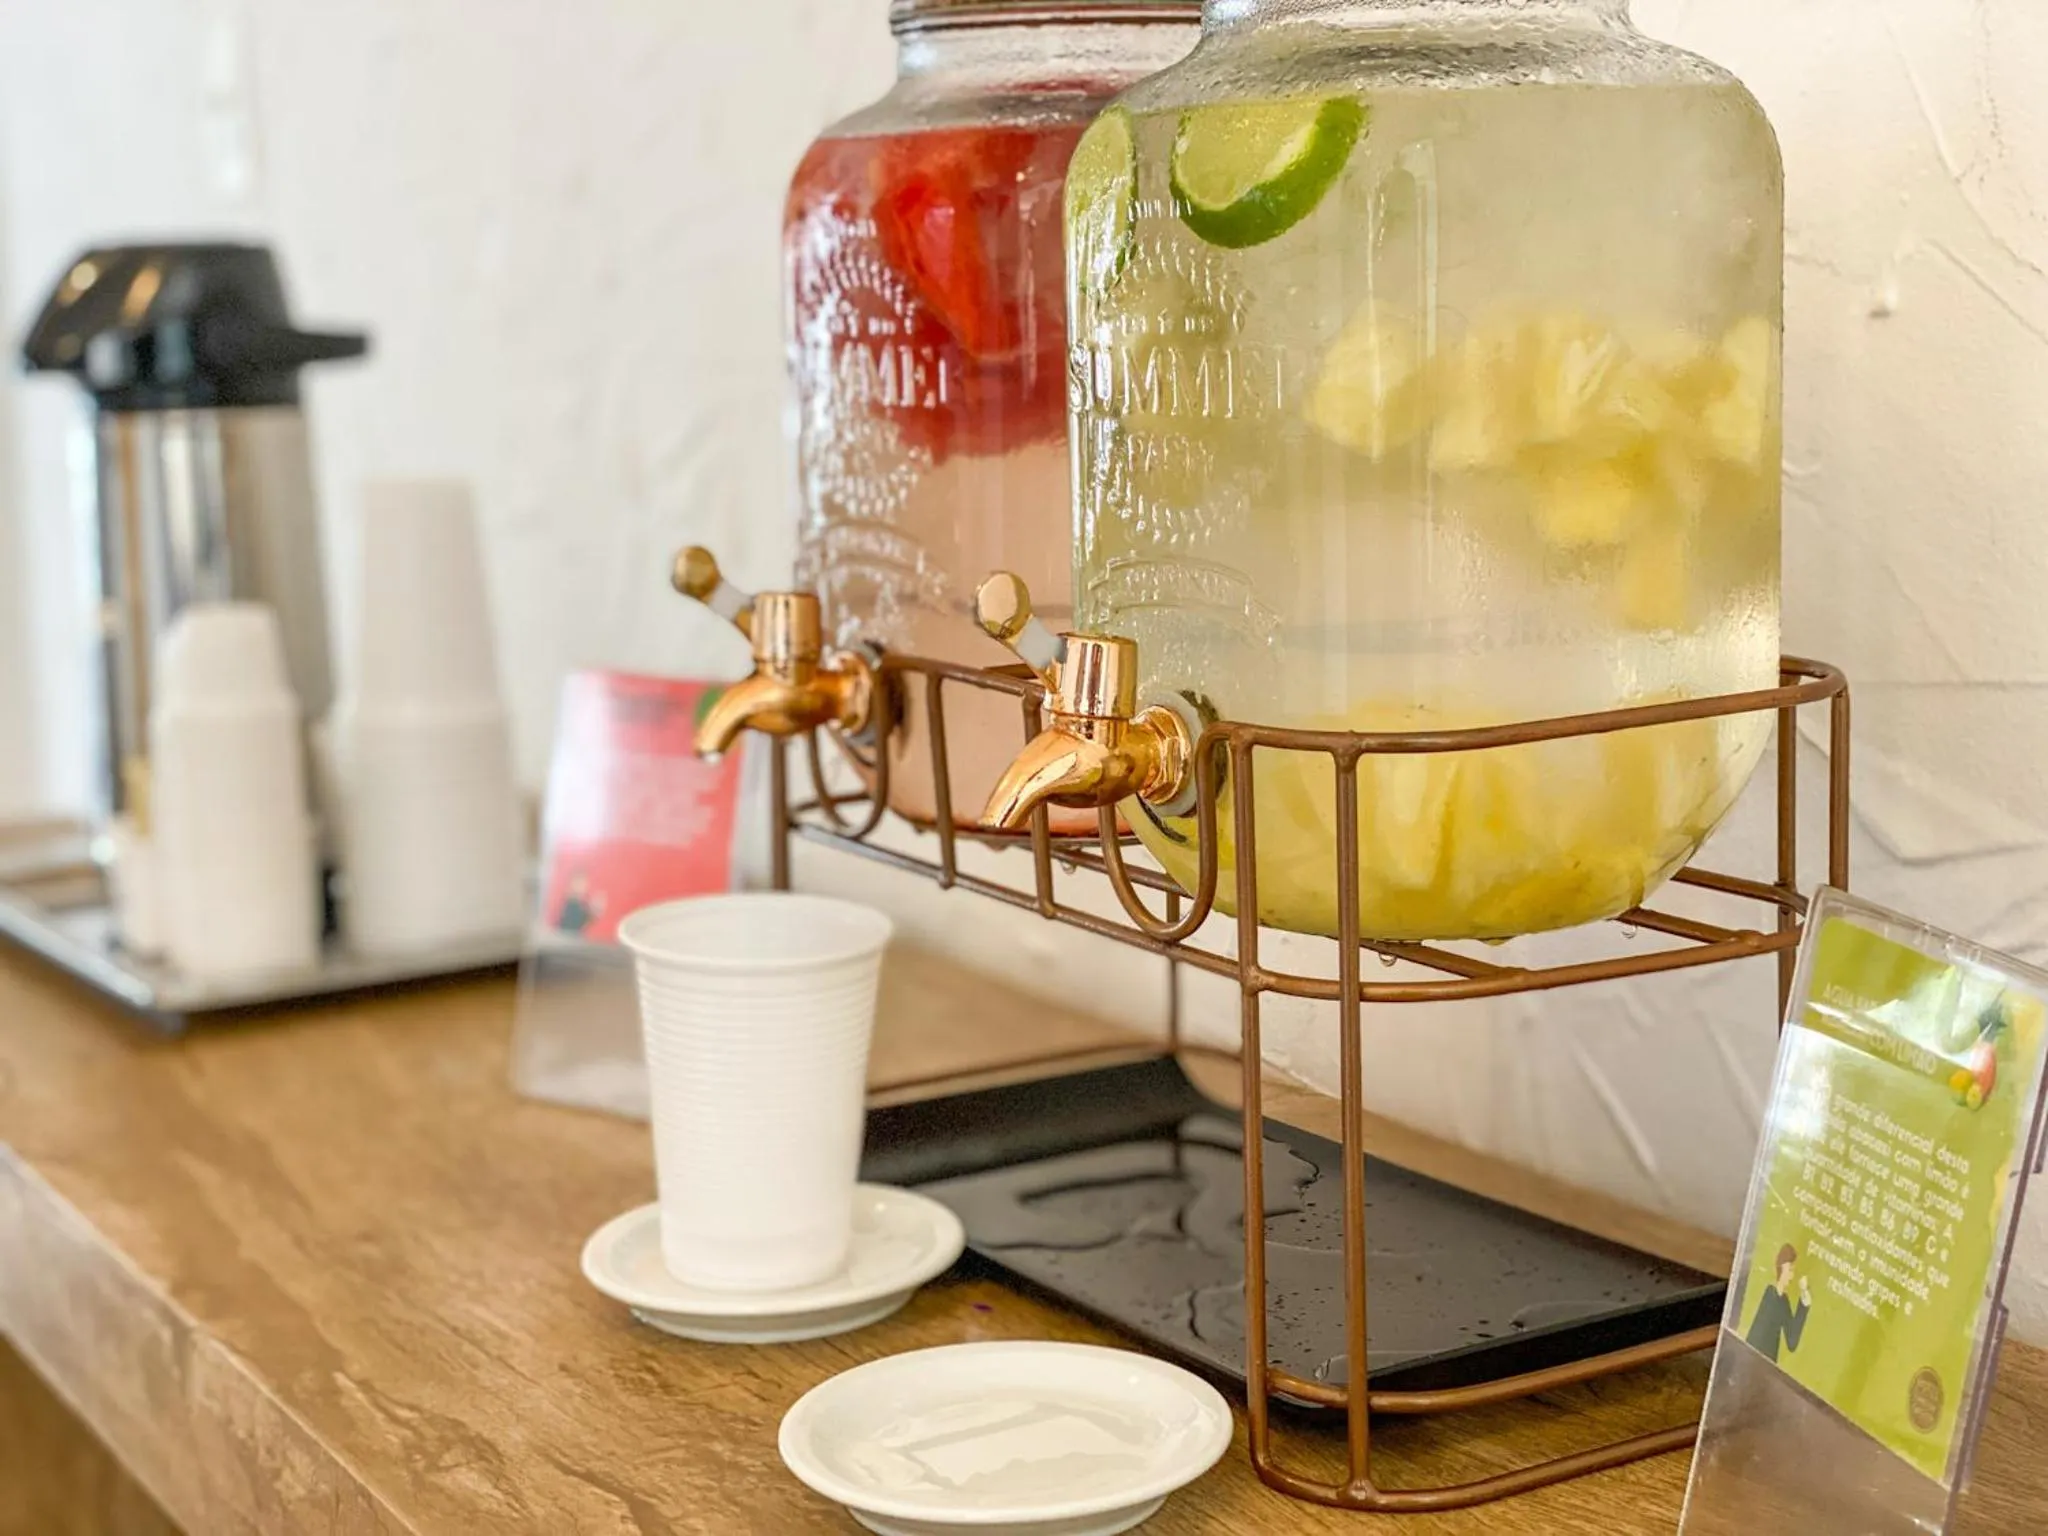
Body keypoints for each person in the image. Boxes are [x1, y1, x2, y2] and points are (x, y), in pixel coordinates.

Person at [1744, 1242, 1813, 1363]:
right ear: (1782, 1266)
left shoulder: (1783, 1301)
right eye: (1790, 1269)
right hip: (1755, 1362)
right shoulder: (1770, 1294)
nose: (1792, 1276)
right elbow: (1755, 1336)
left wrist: (1804, 1295)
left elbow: (1792, 1341)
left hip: (1767, 1365)